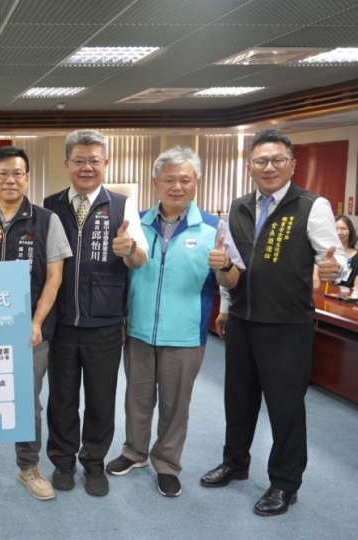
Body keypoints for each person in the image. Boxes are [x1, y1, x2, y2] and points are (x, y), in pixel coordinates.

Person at [202, 128, 347, 517]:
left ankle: (285, 483)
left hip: (286, 324)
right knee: (238, 399)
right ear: (249, 165)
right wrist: (226, 308)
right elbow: (233, 263)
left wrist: (333, 269)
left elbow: (334, 259)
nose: (269, 167)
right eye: (261, 161)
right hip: (243, 320)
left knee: (285, 407)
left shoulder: (312, 206)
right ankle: (235, 463)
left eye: (277, 160)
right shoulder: (238, 207)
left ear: (292, 165)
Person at [104, 147, 244, 498]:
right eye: (169, 179)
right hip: (138, 330)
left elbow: (233, 281)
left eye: (185, 180)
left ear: (196, 183)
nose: (177, 187)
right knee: (136, 399)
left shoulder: (214, 228)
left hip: (185, 335)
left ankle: (167, 464)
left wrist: (224, 266)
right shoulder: (136, 222)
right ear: (156, 183)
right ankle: (134, 452)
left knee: (175, 405)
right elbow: (120, 278)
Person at [43, 129, 149, 497]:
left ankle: (93, 462)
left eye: (94, 161)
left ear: (105, 163)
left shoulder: (122, 205)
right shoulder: (50, 206)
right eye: (79, 161)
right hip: (61, 322)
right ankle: (63, 461)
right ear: (67, 164)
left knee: (101, 399)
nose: (86, 167)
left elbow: (140, 259)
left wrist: (128, 248)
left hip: (104, 322)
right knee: (61, 398)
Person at [0, 146, 71, 502]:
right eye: (3, 174)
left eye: (17, 173)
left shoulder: (46, 220)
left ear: (27, 178)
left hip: (31, 331)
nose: (10, 180)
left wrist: (36, 322)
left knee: (28, 402)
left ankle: (29, 467)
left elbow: (55, 277)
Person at [313, 215, 357, 288]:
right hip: (322, 293)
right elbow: (315, 282)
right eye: (335, 229)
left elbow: (356, 288)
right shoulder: (321, 254)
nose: (339, 232)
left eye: (343, 228)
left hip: (347, 295)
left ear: (350, 231)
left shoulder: (356, 257)